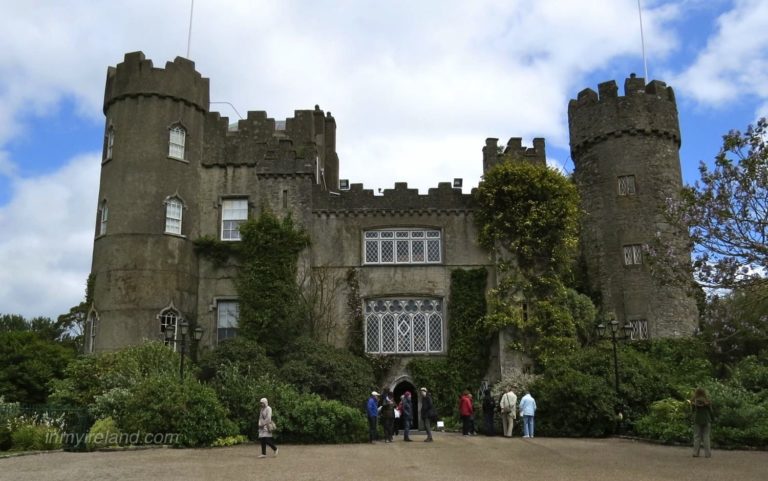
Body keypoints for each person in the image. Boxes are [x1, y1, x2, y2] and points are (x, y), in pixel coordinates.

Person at [690, 387, 713, 458]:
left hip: (697, 419)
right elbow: (710, 411)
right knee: (706, 436)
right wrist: (712, 418)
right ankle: (707, 454)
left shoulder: (694, 400)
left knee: (697, 436)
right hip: (706, 419)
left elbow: (692, 410)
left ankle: (695, 453)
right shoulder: (707, 400)